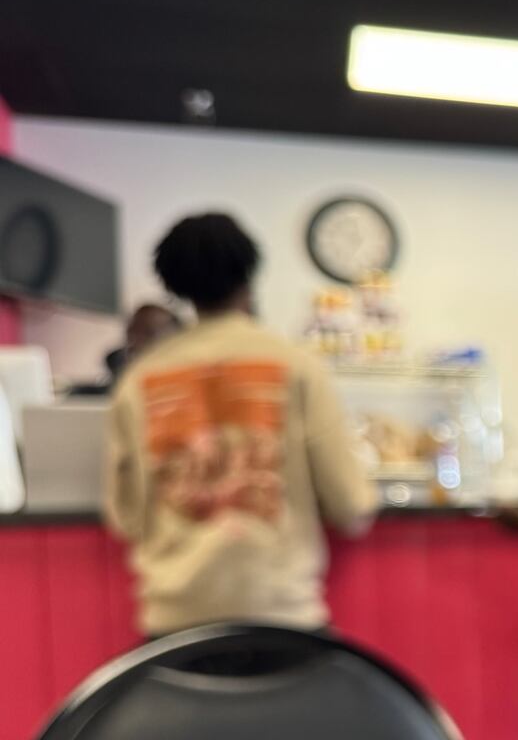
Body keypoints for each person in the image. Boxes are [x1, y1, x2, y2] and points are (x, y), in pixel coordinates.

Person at [104, 212, 376, 636]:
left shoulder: (139, 381)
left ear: (175, 286)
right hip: (284, 619)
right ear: (249, 274)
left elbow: (127, 518)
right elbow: (351, 506)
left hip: (174, 630)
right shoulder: (297, 365)